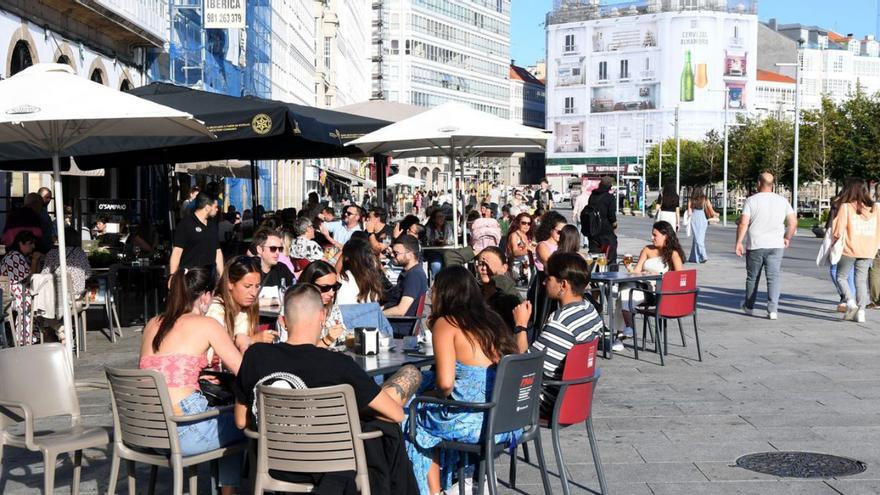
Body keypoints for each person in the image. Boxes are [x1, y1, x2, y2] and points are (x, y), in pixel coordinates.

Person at [233, 284, 421, 493]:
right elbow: (395, 414)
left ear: (283, 322)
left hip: (273, 467)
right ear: (322, 316)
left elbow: (241, 421)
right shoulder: (338, 365)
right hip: (333, 473)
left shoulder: (255, 356)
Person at [406, 266, 520, 495]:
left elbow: (446, 384)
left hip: (475, 422)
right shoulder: (491, 320)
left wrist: (426, 396)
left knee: (410, 415)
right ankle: (462, 478)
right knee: (429, 404)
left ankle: (434, 491)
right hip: (506, 422)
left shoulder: (447, 323)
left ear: (444, 292)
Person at [139, 268, 243, 494]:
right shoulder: (206, 324)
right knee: (242, 421)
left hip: (146, 431)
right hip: (182, 430)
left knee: (228, 415)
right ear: (205, 296)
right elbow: (244, 370)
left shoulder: (152, 324)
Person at [512, 252, 604, 414]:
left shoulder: (560, 322)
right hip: (576, 397)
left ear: (563, 285)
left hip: (547, 401)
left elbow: (524, 367)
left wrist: (520, 326)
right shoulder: (590, 310)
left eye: (548, 278)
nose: (543, 282)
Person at [735, 172, 797, 320]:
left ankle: (749, 306)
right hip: (776, 245)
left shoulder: (751, 201)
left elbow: (744, 223)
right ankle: (773, 310)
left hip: (756, 244)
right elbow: (793, 223)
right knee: (773, 277)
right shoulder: (783, 201)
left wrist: (738, 242)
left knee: (752, 277)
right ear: (772, 185)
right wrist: (787, 237)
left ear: (758, 183)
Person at [615, 221, 685, 349]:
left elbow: (680, 279)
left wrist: (657, 274)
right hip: (644, 289)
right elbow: (636, 272)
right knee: (624, 292)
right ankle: (628, 328)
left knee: (622, 295)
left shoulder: (673, 254)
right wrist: (629, 268)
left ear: (665, 236)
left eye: (655, 235)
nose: (652, 238)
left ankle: (620, 336)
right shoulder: (647, 250)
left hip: (660, 293)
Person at [831, 178, 880, 323]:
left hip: (849, 248)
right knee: (861, 281)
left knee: (841, 276)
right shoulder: (875, 209)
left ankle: (850, 303)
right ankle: (861, 312)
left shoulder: (846, 207)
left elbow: (838, 231)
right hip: (868, 249)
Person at [207, 256, 275, 355]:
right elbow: (214, 353)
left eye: (257, 286)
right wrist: (252, 340)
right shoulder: (215, 310)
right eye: (247, 286)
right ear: (230, 283)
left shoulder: (245, 309)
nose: (254, 293)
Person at [41, 226, 92, 344]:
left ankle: (61, 331)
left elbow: (44, 275)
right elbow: (88, 275)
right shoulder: (80, 253)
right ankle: (65, 333)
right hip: (76, 300)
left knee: (42, 308)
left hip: (55, 300)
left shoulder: (52, 253)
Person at [170, 193, 224, 279]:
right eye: (215, 207)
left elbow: (217, 251)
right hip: (191, 277)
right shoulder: (186, 224)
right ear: (207, 207)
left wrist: (222, 276)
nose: (217, 209)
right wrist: (172, 276)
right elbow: (177, 251)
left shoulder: (212, 225)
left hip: (209, 276)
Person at [383, 235, 428, 336]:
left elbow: (401, 310)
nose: (392, 256)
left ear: (410, 254)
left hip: (398, 328)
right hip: (392, 323)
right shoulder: (408, 273)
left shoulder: (414, 276)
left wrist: (376, 314)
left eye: (396, 253)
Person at [1, 231, 37, 345]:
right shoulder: (15, 257)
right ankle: (24, 339)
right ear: (21, 243)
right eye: (30, 243)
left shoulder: (13, 255)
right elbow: (29, 277)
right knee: (33, 301)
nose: (33, 246)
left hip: (6, 294)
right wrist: (35, 260)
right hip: (10, 296)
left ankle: (31, 335)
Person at [299, 261, 347, 346]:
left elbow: (342, 337)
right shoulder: (295, 310)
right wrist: (327, 340)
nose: (331, 293)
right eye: (325, 288)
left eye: (335, 287)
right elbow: (298, 353)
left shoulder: (331, 305)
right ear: (308, 285)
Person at [476, 246, 521, 332]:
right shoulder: (474, 291)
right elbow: (450, 257)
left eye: (489, 264)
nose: (484, 268)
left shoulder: (509, 291)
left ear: (504, 267)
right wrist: (474, 251)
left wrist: (498, 276)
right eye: (481, 264)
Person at [582, 176, 618, 267]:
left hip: (593, 230)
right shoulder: (610, 197)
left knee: (594, 256)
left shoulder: (593, 195)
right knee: (610, 256)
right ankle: (610, 276)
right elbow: (611, 216)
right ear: (610, 186)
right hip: (605, 231)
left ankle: (593, 276)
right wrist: (614, 224)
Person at [337, 237, 385, 305]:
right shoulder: (373, 278)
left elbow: (334, 272)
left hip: (345, 313)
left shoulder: (343, 278)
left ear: (346, 257)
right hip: (366, 314)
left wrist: (343, 254)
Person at [252, 228, 295, 293]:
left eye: (280, 249)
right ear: (260, 249)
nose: (277, 252)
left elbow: (293, 290)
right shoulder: (249, 269)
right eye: (273, 248)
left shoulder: (283, 269)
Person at [687, 187, 716, 263]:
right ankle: (694, 257)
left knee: (697, 238)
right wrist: (716, 214)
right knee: (699, 238)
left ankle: (703, 256)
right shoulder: (705, 199)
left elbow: (689, 212)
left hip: (694, 218)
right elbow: (711, 211)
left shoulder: (691, 200)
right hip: (703, 219)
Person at [506, 212, 535, 285]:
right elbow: (515, 252)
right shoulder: (514, 235)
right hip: (517, 271)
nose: (526, 225)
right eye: (524, 223)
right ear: (518, 223)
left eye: (529, 223)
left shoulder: (526, 236)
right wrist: (530, 250)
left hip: (527, 269)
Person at [424, 209, 453, 277]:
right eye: (439, 217)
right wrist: (434, 242)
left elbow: (451, 240)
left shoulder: (447, 226)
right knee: (436, 264)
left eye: (443, 216)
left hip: (446, 250)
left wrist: (446, 242)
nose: (441, 218)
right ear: (434, 219)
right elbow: (426, 241)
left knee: (451, 262)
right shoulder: (428, 228)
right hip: (433, 251)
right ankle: (437, 281)